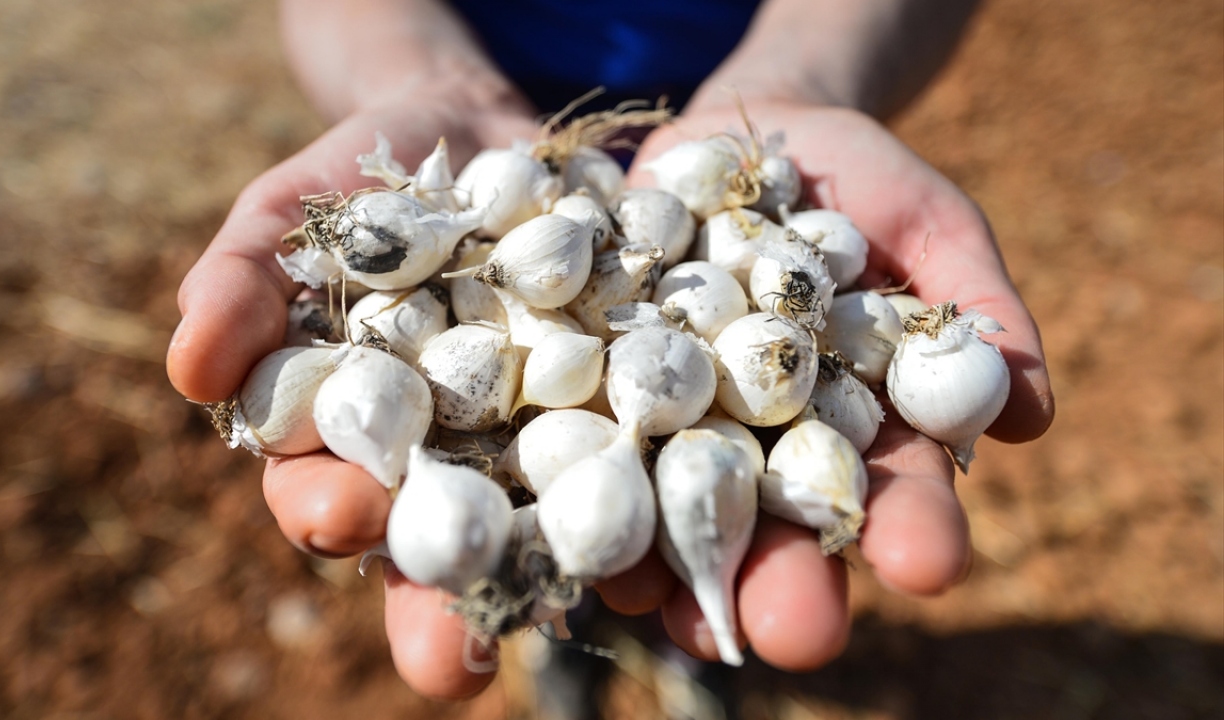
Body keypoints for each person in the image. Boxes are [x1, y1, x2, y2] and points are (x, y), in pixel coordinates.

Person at [166, 0, 1055, 700]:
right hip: (487, 107)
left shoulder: (683, 294)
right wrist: (420, 75)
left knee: (650, 537)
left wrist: (805, 76)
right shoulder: (495, 273)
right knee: (573, 532)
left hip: (739, 94)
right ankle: (585, 646)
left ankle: (694, 656)